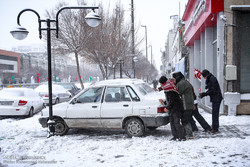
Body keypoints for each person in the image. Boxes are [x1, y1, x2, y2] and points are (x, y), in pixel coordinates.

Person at [158, 76, 186, 141]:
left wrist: (167, 107)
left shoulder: (170, 89)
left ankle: (182, 137)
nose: (160, 85)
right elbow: (169, 99)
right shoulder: (167, 87)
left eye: (161, 83)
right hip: (172, 108)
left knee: (176, 122)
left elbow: (172, 100)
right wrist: (164, 102)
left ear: (163, 83)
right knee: (172, 122)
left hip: (176, 107)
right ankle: (175, 136)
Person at [199, 69, 223, 134]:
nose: (204, 78)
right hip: (215, 98)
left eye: (204, 77)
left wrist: (205, 93)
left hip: (217, 98)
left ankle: (215, 128)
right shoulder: (210, 79)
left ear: (206, 75)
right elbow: (211, 87)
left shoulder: (212, 79)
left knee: (215, 113)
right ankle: (214, 127)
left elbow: (213, 90)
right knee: (214, 113)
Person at [172, 72, 194, 139]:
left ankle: (189, 134)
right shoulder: (183, 82)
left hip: (186, 104)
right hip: (188, 103)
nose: (174, 81)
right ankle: (189, 132)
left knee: (185, 120)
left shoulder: (181, 83)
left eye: (174, 79)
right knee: (187, 118)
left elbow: (177, 92)